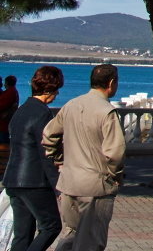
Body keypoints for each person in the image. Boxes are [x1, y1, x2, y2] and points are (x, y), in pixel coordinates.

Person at [42, 64, 126, 251]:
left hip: (69, 183)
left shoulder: (71, 105)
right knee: (91, 241)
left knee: (70, 235)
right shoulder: (106, 111)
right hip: (96, 186)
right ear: (111, 83)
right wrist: (115, 175)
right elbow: (115, 153)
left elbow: (49, 135)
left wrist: (59, 159)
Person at [2, 66, 64, 251]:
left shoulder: (20, 111)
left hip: (13, 179)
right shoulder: (42, 113)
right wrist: (57, 185)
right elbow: (45, 152)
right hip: (34, 181)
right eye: (57, 89)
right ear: (51, 89)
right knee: (51, 226)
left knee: (22, 235)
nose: (58, 94)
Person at [0, 75, 21, 144]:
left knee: (3, 142)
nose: (3, 84)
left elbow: (2, 105)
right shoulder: (10, 92)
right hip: (4, 124)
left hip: (3, 124)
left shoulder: (10, 92)